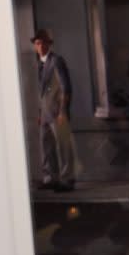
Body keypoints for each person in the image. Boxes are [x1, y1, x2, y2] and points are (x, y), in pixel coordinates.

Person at [32, 29, 75, 192]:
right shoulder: (39, 64)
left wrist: (63, 111)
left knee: (63, 145)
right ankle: (50, 178)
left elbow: (66, 87)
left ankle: (67, 179)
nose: (40, 46)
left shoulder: (56, 61)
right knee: (46, 146)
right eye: (37, 43)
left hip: (57, 112)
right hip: (45, 113)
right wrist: (39, 113)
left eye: (43, 42)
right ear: (35, 46)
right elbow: (41, 92)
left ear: (49, 44)